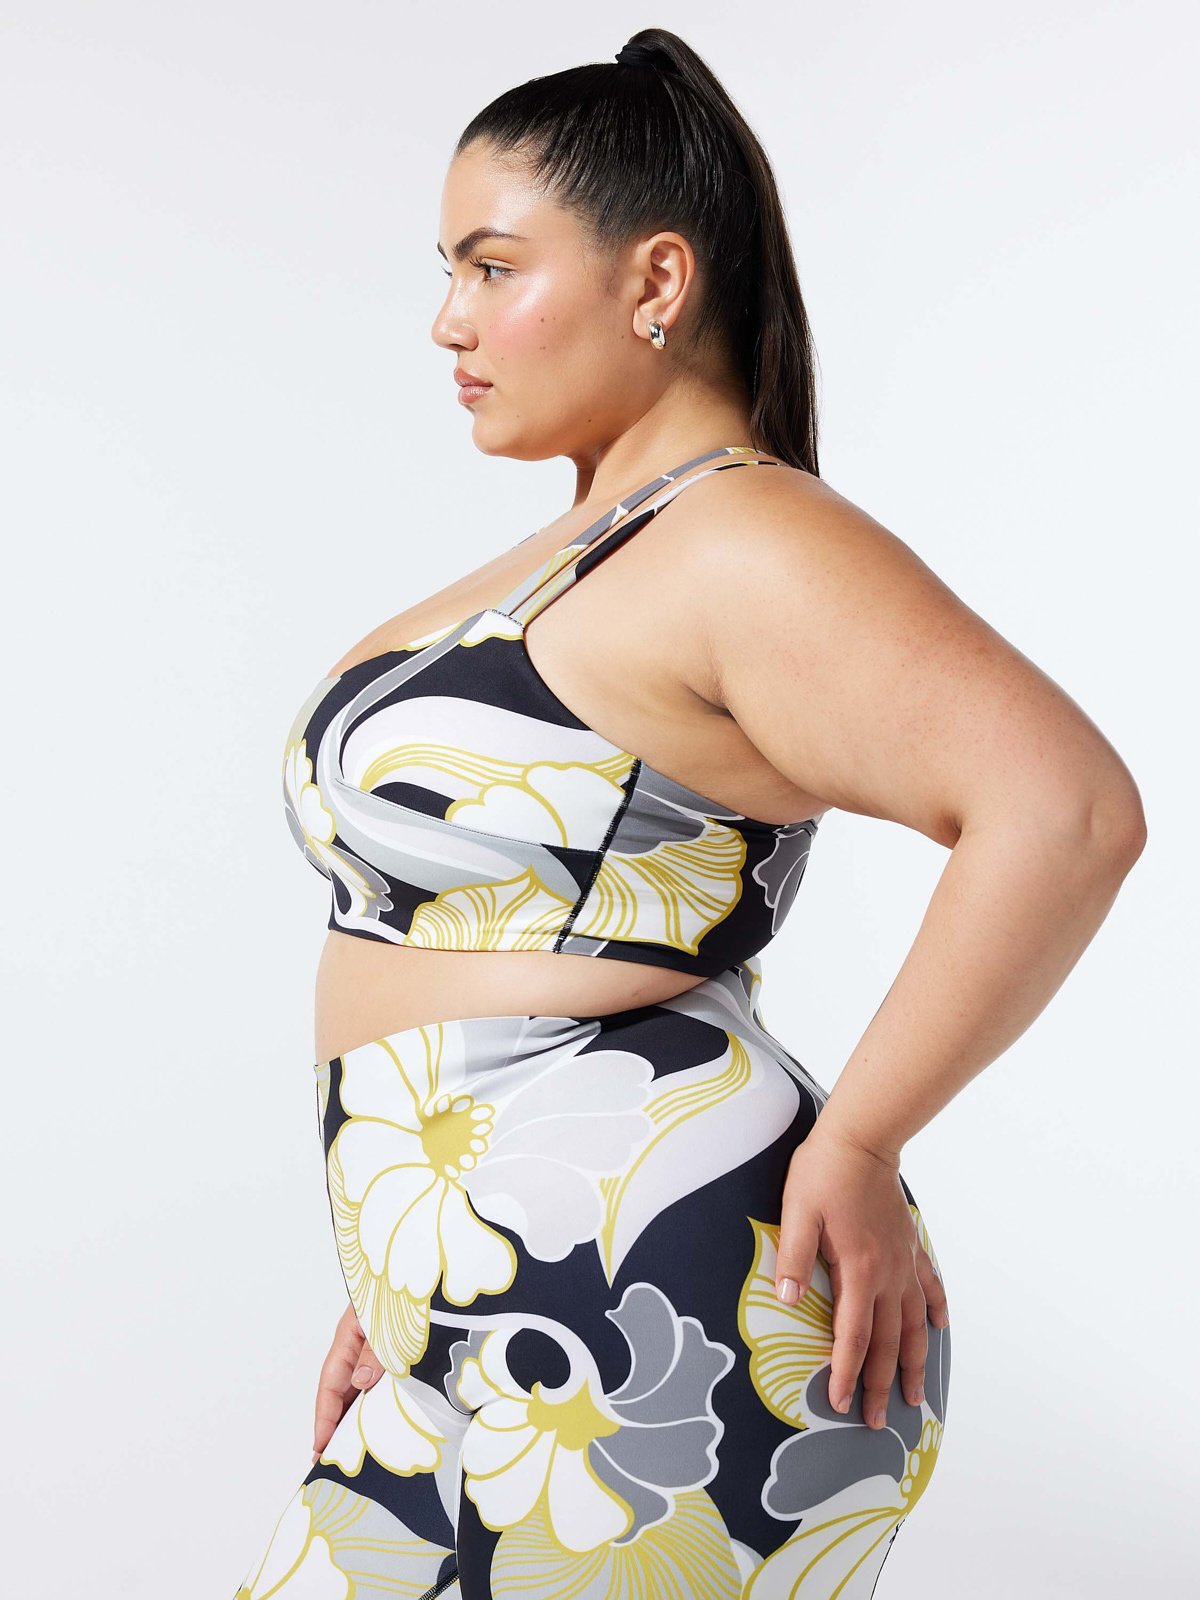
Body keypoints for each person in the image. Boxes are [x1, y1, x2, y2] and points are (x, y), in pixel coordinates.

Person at [233, 29, 1146, 1600]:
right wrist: (410, 1253)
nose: (449, 318)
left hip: (657, 1319)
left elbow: (1063, 811)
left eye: (492, 266)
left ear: (656, 280)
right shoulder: (594, 547)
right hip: (500, 1298)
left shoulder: (740, 535)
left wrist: (862, 1138)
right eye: (447, 272)